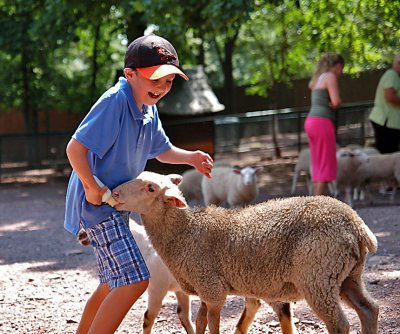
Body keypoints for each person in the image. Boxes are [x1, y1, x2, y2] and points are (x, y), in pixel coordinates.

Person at [64, 34, 213, 334]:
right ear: (129, 74)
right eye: (154, 79)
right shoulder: (115, 102)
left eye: (168, 81)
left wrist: (192, 158)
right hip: (98, 204)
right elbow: (74, 149)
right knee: (135, 279)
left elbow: (162, 149)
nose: (161, 87)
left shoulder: (148, 110)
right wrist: (92, 188)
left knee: (113, 281)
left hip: (118, 201)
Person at [304, 52, 345, 196]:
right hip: (323, 122)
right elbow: (335, 101)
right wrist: (338, 102)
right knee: (326, 165)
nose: (342, 72)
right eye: (342, 68)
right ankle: (317, 207)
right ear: (337, 66)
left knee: (317, 165)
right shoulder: (330, 76)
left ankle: (314, 204)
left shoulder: (317, 79)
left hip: (311, 121)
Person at [369, 53, 400, 154]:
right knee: (388, 154)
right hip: (386, 122)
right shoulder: (392, 75)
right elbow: (390, 97)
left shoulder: (395, 76)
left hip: (389, 122)